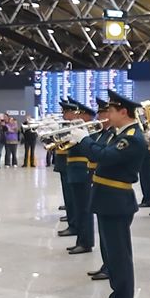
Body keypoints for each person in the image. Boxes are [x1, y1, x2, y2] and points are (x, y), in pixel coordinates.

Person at [68, 90, 146, 298]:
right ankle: (116, 296)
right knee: (112, 253)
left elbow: (104, 157)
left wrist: (83, 140)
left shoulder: (131, 137)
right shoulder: (119, 133)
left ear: (123, 111)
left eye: (111, 110)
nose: (108, 115)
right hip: (108, 198)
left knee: (119, 254)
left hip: (116, 200)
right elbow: (102, 151)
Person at [64, 102, 96, 256]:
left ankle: (86, 242)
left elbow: (90, 149)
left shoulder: (91, 130)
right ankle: (80, 240)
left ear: (88, 116)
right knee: (78, 207)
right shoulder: (80, 129)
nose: (77, 116)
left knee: (84, 209)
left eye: (80, 114)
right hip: (74, 170)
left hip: (83, 170)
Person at [86, 97, 113, 283]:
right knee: (104, 235)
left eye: (105, 112)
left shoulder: (114, 135)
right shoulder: (104, 133)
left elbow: (102, 154)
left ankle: (111, 268)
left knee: (112, 238)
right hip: (101, 186)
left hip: (112, 190)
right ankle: (106, 265)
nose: (101, 116)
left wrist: (84, 140)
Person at [55, 100, 79, 238]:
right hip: (64, 162)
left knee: (72, 198)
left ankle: (74, 223)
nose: (64, 115)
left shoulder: (75, 127)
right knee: (68, 196)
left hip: (70, 163)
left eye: (65, 112)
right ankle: (71, 220)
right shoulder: (66, 125)